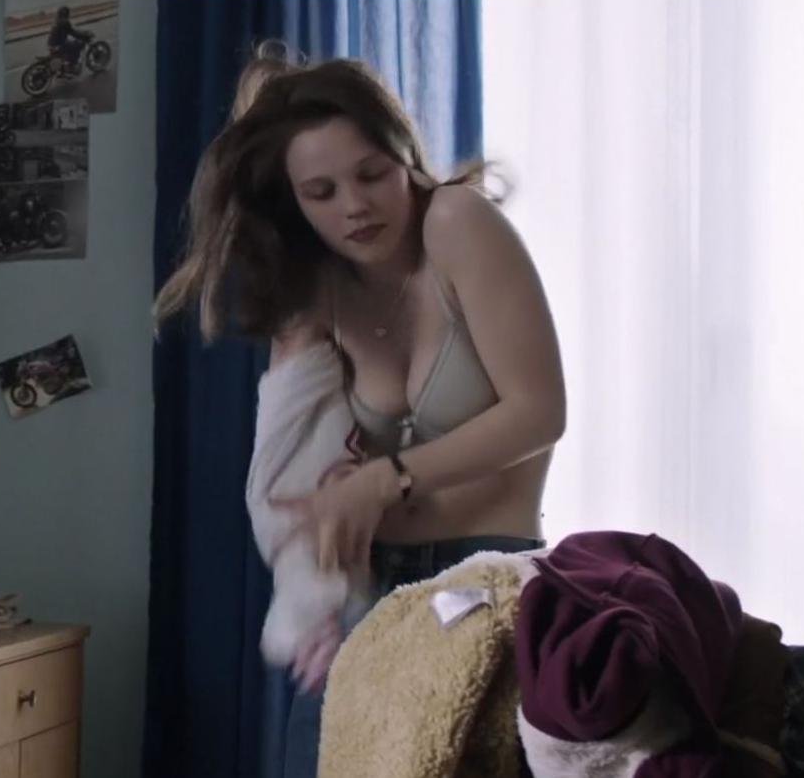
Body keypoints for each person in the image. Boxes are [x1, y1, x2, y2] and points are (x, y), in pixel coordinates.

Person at [151, 45, 566, 778]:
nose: (354, 206)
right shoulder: (315, 284)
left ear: (404, 156)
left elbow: (539, 412)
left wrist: (385, 478)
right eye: (321, 191)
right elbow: (284, 464)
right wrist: (309, 589)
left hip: (486, 583)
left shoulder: (457, 225)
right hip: (369, 594)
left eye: (372, 174)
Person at [47, 6, 90, 74]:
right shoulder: (64, 22)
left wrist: (79, 33)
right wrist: (84, 36)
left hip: (51, 43)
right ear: (66, 14)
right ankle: (70, 67)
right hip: (58, 45)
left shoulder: (57, 20)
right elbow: (73, 33)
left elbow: (70, 31)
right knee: (78, 45)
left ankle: (66, 64)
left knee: (71, 43)